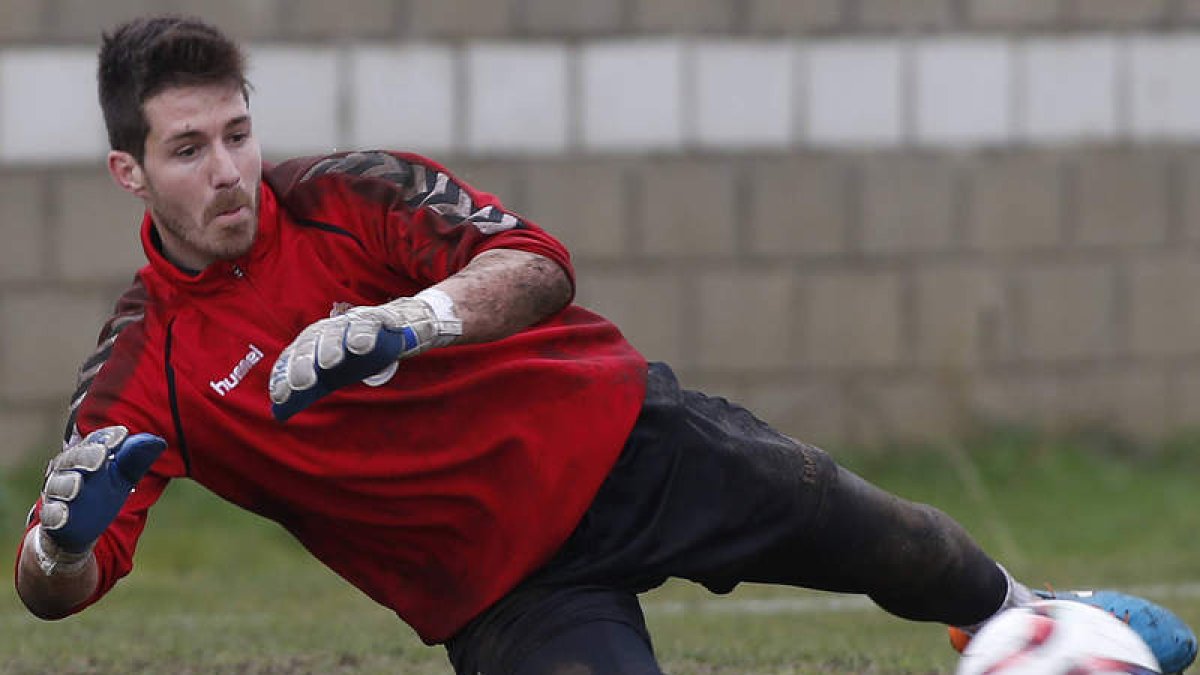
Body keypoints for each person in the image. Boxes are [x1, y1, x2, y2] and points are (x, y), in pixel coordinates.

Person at [12, 15, 1196, 675]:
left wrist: (409, 321)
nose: (227, 171)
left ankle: (1038, 620)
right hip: (505, 593)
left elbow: (535, 262)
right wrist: (62, 543)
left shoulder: (347, 196)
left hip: (631, 444)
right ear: (129, 172)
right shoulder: (142, 369)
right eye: (187, 149)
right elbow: (54, 593)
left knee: (902, 543)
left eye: (237, 133)